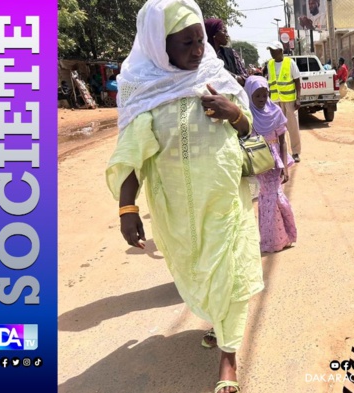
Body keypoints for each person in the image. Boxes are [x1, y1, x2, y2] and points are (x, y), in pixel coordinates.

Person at [105, 1, 263, 392]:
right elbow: (131, 156)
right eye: (186, 43)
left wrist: (233, 112)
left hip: (225, 199)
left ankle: (228, 358)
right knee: (198, 270)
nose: (197, 50)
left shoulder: (216, 75)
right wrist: (127, 209)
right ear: (160, 46)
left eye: (200, 40)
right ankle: (218, 319)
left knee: (228, 267)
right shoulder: (143, 89)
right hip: (175, 211)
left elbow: (248, 129)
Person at [245, 76, 298, 252]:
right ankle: (276, 239)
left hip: (275, 161)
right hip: (260, 162)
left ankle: (280, 238)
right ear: (249, 95)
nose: (261, 99)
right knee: (268, 198)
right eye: (257, 96)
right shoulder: (247, 116)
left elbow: (283, 141)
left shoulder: (275, 112)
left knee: (273, 197)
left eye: (264, 95)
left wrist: (284, 166)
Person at [266, 41, 302, 163]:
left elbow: (297, 81)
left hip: (289, 100)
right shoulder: (269, 64)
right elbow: (269, 83)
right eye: (270, 50)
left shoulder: (289, 62)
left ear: (280, 51)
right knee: (277, 128)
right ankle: (280, 152)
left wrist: (298, 98)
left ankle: (296, 152)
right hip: (275, 101)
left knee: (292, 127)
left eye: (273, 50)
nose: (271, 52)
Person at [204, 18, 248, 86]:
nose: (227, 35)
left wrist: (224, 74)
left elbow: (245, 79)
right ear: (214, 35)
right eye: (224, 31)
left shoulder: (232, 53)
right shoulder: (202, 56)